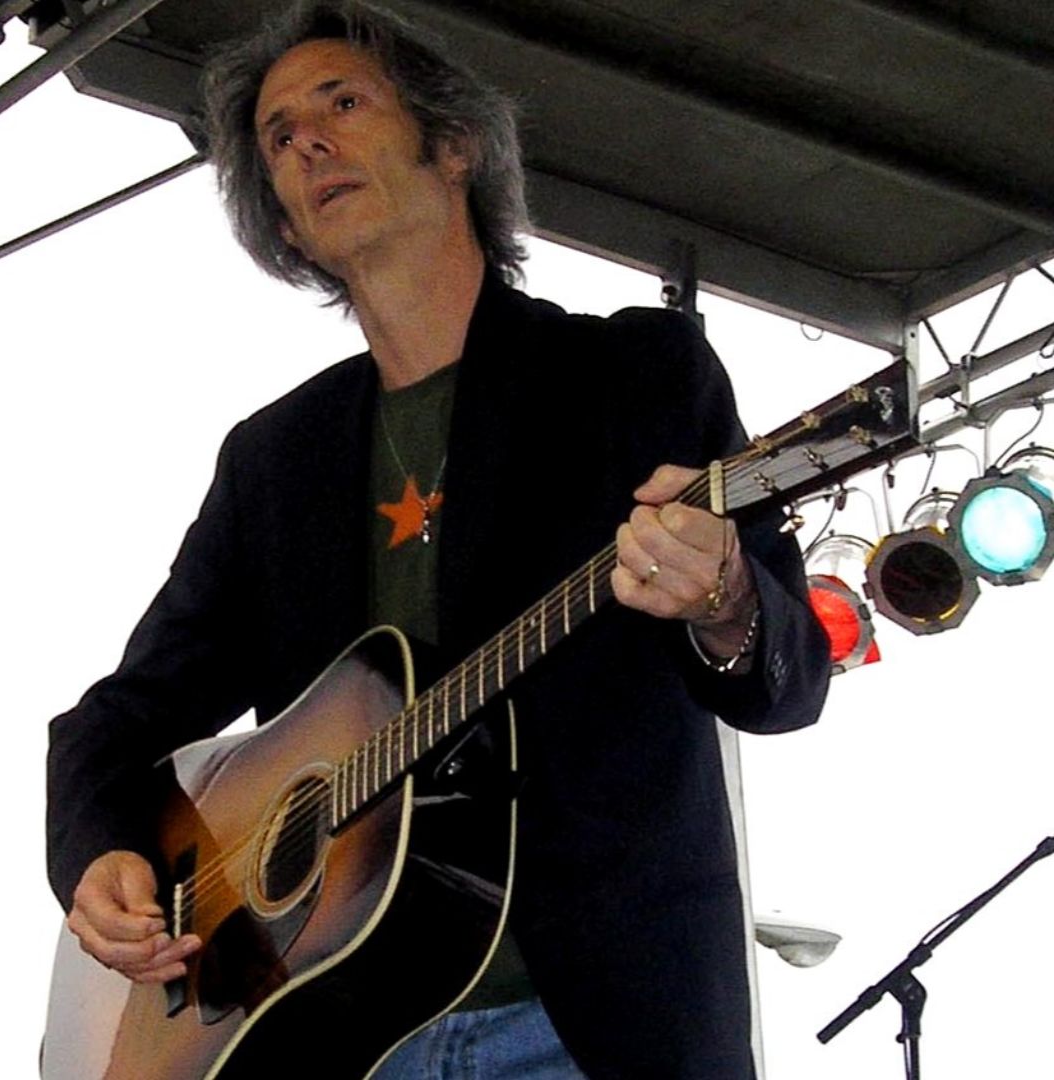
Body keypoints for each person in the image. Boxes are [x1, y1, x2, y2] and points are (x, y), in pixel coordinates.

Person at [45, 2, 831, 1077]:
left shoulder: (634, 378)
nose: (309, 141)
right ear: (284, 226)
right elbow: (112, 727)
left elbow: (785, 682)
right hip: (338, 1040)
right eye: (279, 138)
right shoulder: (275, 461)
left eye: (343, 103)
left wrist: (727, 599)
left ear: (455, 146)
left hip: (590, 1027)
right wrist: (101, 857)